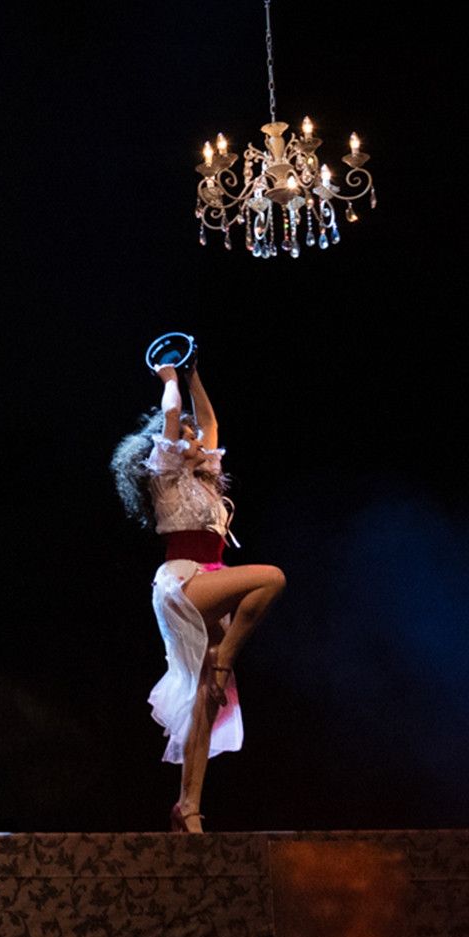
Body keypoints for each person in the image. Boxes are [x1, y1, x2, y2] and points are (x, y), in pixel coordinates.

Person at [112, 353, 284, 832]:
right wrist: (168, 377)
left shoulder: (202, 478)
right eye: (184, 437)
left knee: (206, 700)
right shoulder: (165, 475)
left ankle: (187, 807)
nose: (193, 440)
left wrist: (193, 373)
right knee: (271, 578)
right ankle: (226, 656)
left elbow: (210, 423)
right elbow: (173, 413)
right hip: (183, 581)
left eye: (192, 438)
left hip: (209, 576)